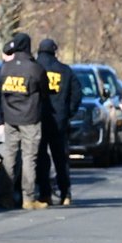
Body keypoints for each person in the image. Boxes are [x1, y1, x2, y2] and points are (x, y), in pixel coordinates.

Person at [0, 32, 49, 210]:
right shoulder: (35, 69)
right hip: (31, 119)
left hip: (10, 119)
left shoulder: (4, 70)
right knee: (29, 157)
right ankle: (28, 198)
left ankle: (5, 196)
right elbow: (45, 92)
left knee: (9, 157)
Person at [34, 38, 83, 205]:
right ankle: (65, 193)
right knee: (60, 158)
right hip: (59, 120)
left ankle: (45, 194)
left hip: (38, 119)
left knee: (41, 158)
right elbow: (77, 93)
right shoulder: (65, 70)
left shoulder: (34, 68)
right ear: (54, 51)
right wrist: (69, 112)